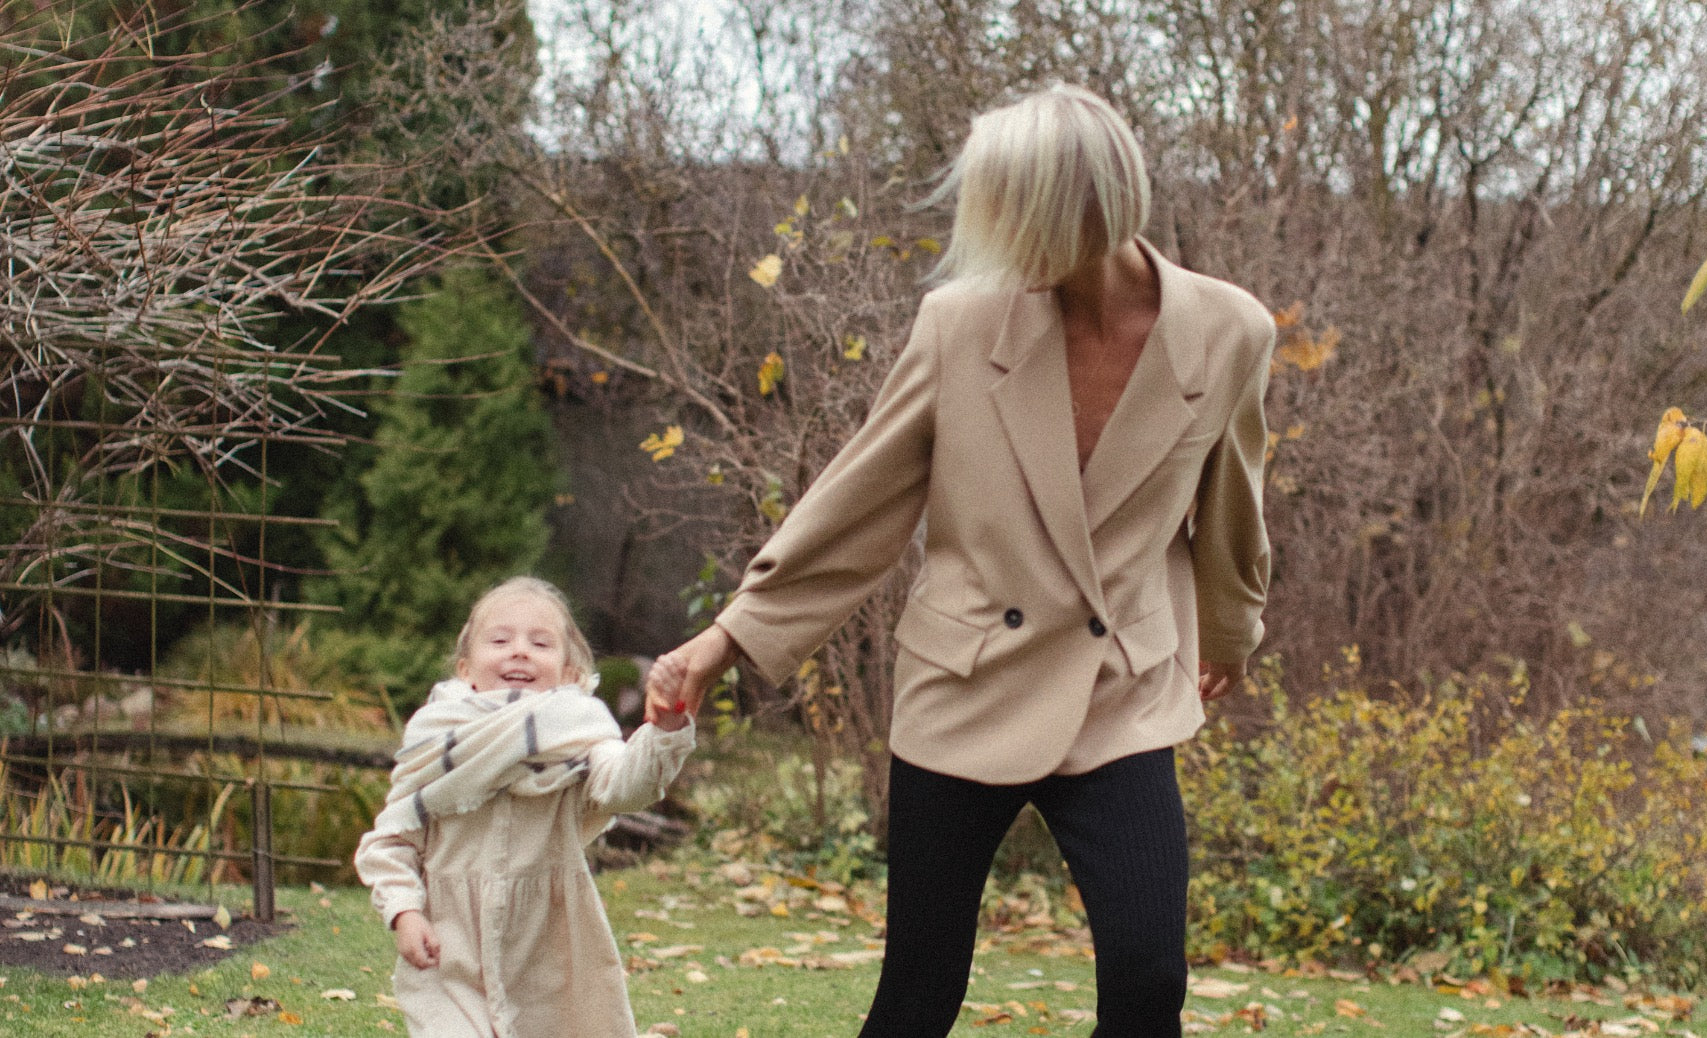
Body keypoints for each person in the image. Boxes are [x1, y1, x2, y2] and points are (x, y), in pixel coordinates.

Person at [646, 83, 1273, 1036]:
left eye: (1003, 208)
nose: (986, 235)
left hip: (1121, 690)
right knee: (918, 996)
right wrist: (727, 639)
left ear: (1073, 207)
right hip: (966, 683)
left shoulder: (1230, 332)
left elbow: (1232, 495)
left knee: (1149, 985)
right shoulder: (960, 324)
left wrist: (1228, 628)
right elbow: (858, 501)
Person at [356, 576, 694, 1038]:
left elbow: (625, 787)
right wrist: (404, 910)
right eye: (499, 639)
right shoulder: (436, 742)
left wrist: (666, 729)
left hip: (547, 941)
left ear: (570, 674)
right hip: (451, 942)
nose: (519, 651)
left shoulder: (579, 734)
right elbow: (393, 837)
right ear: (465, 670)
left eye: (540, 643)